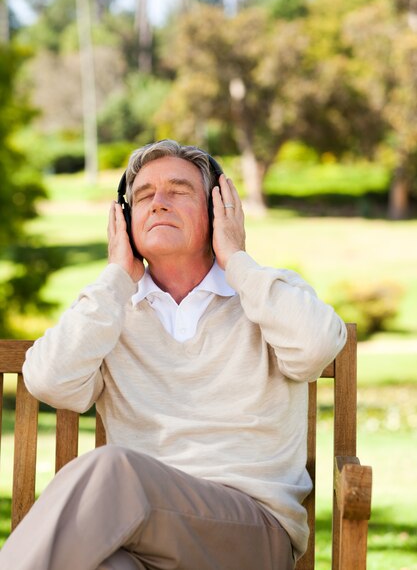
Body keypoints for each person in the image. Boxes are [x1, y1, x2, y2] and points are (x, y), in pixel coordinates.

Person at [0, 139, 347, 570]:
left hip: (251, 535)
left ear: (220, 209)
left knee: (114, 471)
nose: (158, 203)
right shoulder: (112, 312)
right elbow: (48, 380)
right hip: (141, 543)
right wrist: (115, 280)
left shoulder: (264, 295)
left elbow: (316, 346)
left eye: (178, 191)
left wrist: (236, 258)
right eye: (143, 196)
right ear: (124, 221)